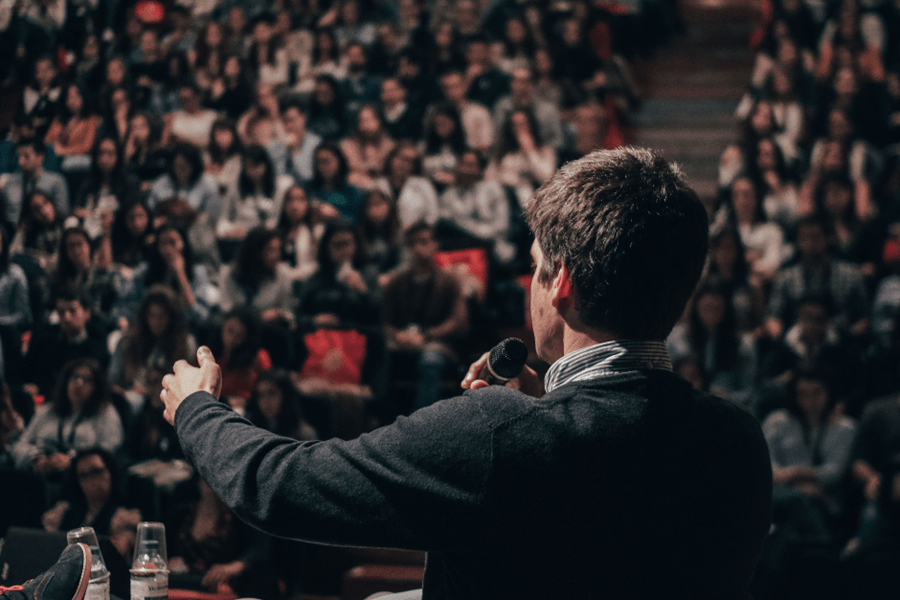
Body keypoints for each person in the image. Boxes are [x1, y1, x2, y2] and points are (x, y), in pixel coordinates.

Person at [161, 147, 773, 599]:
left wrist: (197, 409)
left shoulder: (498, 434)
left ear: (560, 282)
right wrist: (543, 406)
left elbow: (277, 487)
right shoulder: (737, 441)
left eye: (534, 266)